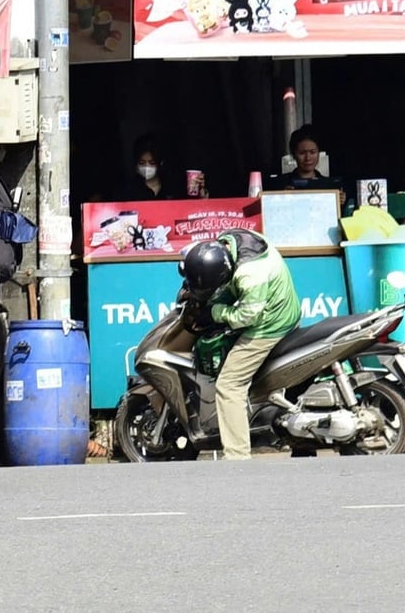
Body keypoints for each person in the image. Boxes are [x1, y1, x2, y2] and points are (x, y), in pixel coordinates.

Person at [180, 228, 301, 460]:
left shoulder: (249, 275)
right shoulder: (231, 240)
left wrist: (214, 312)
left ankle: (237, 456)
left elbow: (246, 316)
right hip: (280, 309)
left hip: (269, 325)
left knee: (229, 386)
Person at [116, 134, 206, 200]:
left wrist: (201, 195)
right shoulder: (128, 189)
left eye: (152, 163)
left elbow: (189, 209)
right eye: (142, 163)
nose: (147, 167)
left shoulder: (173, 186)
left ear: (161, 163)